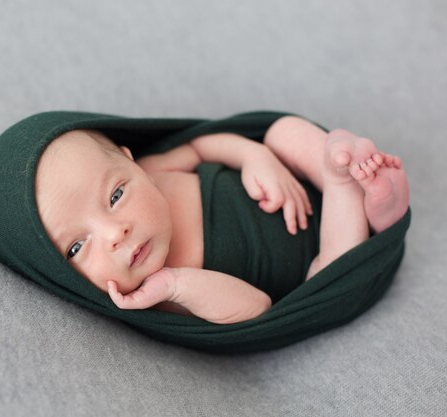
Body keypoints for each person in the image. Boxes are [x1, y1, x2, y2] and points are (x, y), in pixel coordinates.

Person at [34, 116, 409, 324]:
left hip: (292, 182)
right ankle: (358, 194)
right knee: (333, 270)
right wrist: (176, 285)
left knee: (281, 132)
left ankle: (335, 165)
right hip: (319, 254)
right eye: (77, 246)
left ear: (130, 161)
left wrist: (253, 155)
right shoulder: (159, 294)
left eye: (116, 195)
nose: (116, 233)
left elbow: (201, 146)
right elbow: (257, 308)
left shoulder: (153, 168)